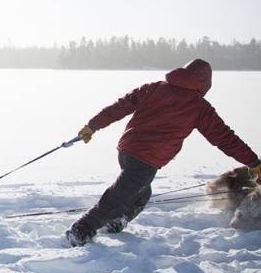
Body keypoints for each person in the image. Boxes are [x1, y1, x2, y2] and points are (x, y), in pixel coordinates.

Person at [64, 59, 261, 247]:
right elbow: (225, 138)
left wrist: (92, 126)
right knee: (120, 196)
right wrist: (253, 162)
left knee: (141, 192)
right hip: (146, 158)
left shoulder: (154, 88)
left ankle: (115, 223)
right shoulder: (198, 106)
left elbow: (120, 106)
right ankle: (80, 231)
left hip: (126, 151)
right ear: (205, 83)